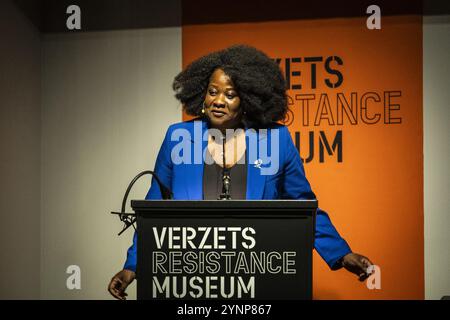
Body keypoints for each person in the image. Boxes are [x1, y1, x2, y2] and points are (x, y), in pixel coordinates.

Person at [108, 45, 373, 300]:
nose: (218, 101)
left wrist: (341, 254)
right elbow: (153, 211)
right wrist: (133, 267)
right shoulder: (178, 137)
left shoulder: (276, 140)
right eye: (212, 92)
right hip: (193, 277)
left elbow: (303, 208)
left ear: (246, 100)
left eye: (230, 94)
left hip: (256, 277)